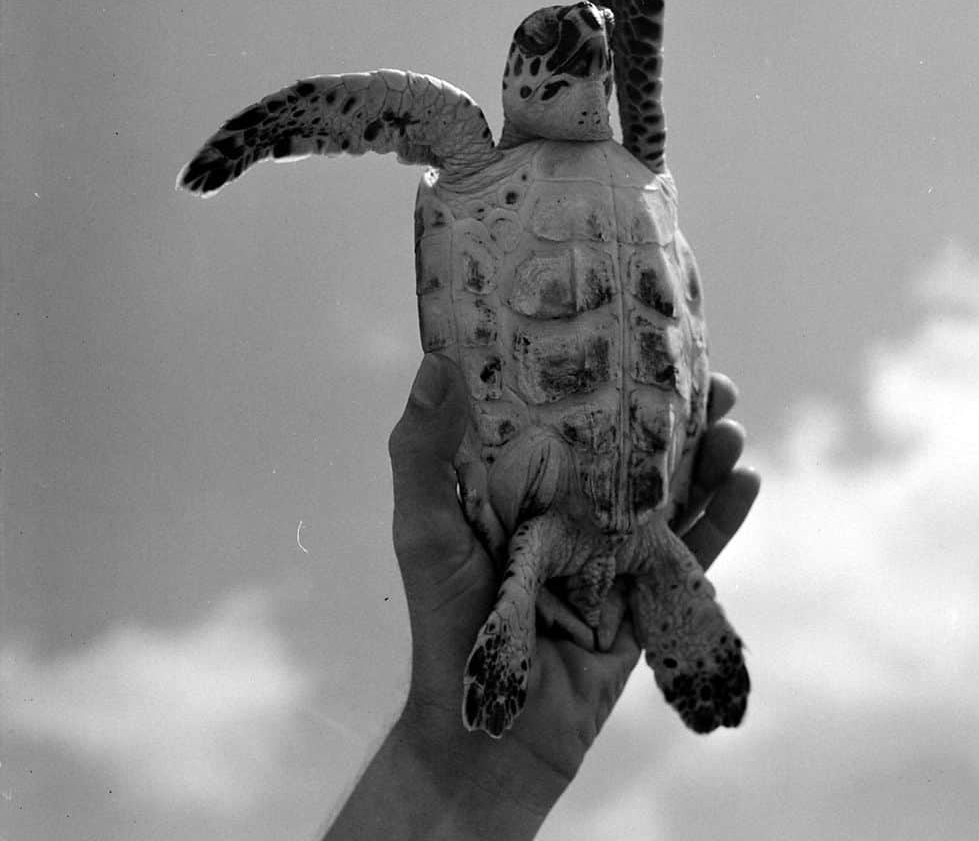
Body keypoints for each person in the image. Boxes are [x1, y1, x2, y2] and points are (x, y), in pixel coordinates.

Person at [322, 354, 760, 841]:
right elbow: (654, 579)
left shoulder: (547, 538)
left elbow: (521, 593)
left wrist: (456, 762)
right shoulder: (639, 541)